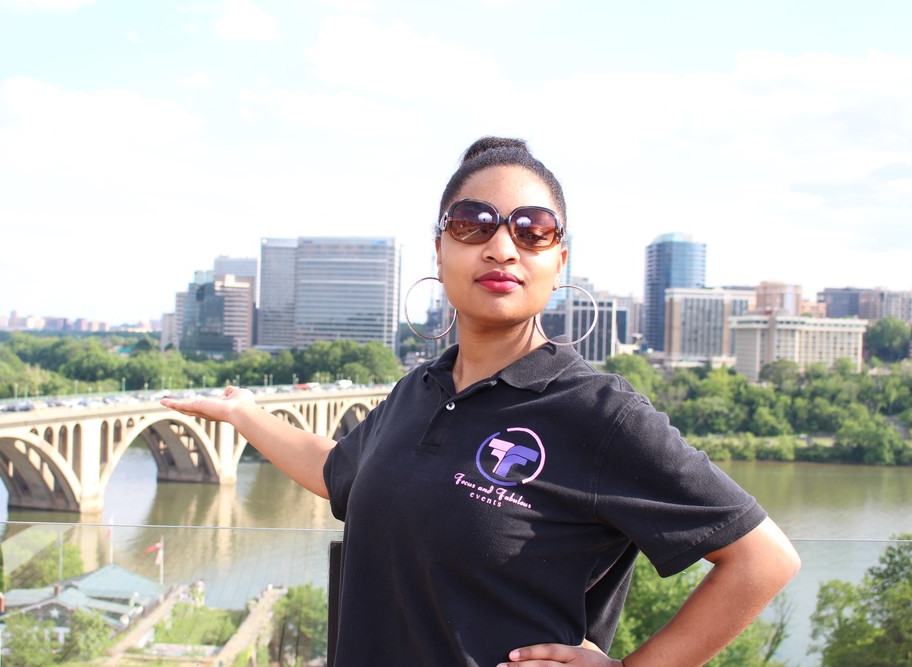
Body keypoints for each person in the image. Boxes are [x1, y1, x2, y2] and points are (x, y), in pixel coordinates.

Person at [161, 136, 800, 667]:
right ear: (440, 252)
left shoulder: (598, 414)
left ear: (560, 261)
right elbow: (339, 473)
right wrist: (245, 414)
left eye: (533, 230)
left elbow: (761, 559)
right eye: (473, 224)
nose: (502, 247)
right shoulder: (420, 389)